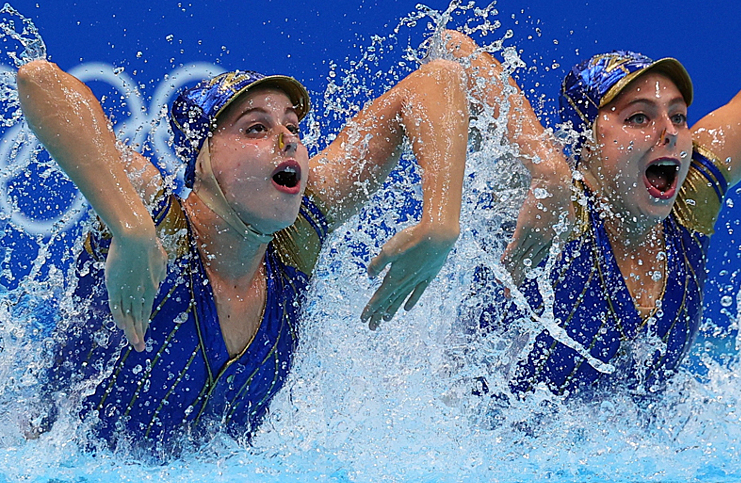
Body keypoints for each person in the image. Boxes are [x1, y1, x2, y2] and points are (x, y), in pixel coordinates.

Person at [444, 18, 741, 399]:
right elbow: (450, 52)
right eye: (639, 117)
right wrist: (547, 172)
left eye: (678, 116)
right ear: (585, 142)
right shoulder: (553, 209)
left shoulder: (690, 196)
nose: (671, 134)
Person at [16, 57, 476, 450]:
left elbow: (436, 80)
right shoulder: (158, 227)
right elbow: (40, 81)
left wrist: (440, 222)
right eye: (256, 128)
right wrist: (131, 230)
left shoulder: (295, 243)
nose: (287, 139)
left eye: (293, 127)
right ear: (201, 159)